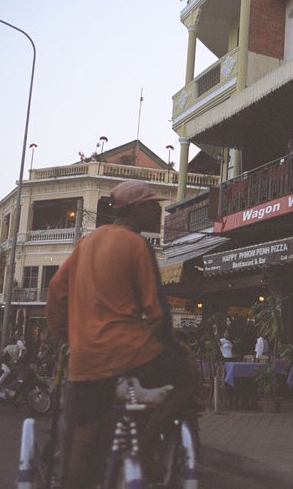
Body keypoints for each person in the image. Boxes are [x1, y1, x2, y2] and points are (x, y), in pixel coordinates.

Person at [46, 180, 198, 489]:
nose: (159, 212)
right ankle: (143, 442)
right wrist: (167, 344)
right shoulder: (136, 245)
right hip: (131, 353)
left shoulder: (86, 243)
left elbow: (55, 290)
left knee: (83, 439)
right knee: (189, 379)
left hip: (86, 361)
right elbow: (156, 312)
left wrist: (67, 337)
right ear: (137, 210)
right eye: (153, 206)